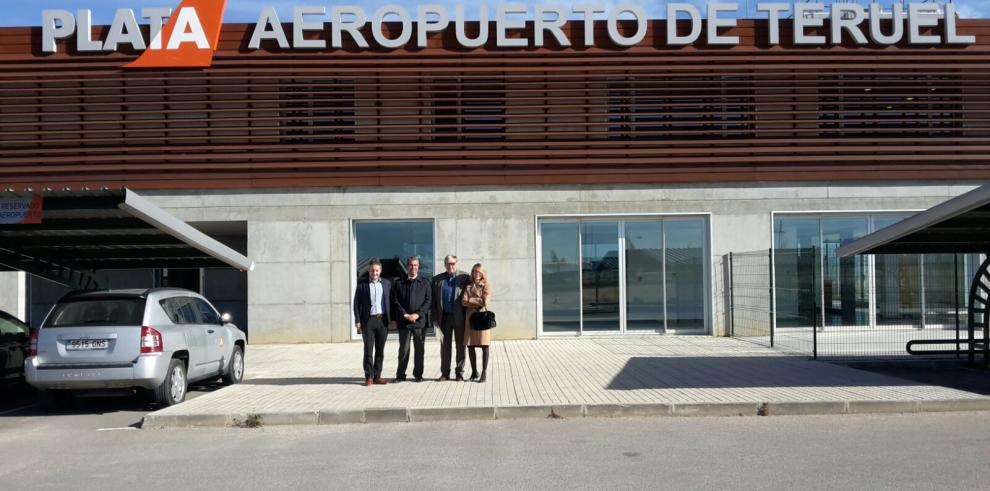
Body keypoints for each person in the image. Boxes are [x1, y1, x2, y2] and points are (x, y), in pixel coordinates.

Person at [392, 256, 431, 382]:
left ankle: (418, 375)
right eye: (410, 265)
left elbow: (428, 301)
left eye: (415, 265)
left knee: (419, 349)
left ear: (418, 267)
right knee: (404, 349)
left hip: (419, 321)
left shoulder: (425, 282)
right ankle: (400, 375)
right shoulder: (399, 282)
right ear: (407, 266)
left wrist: (417, 314)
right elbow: (395, 300)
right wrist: (404, 314)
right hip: (404, 321)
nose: (413, 267)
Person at [353, 259, 391, 386]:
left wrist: (392, 319)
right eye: (372, 270)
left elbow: (391, 301)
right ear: (369, 271)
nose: (374, 272)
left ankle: (377, 376)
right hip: (368, 321)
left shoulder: (386, 283)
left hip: (382, 321)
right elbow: (356, 304)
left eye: (376, 270)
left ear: (380, 271)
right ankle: (368, 376)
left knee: (380, 350)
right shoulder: (362, 284)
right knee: (368, 350)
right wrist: (358, 321)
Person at [431, 255, 470, 381]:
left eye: (453, 263)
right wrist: (435, 318)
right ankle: (445, 373)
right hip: (444, 318)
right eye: (448, 264)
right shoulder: (437, 280)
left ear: (456, 263)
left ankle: (459, 372)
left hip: (460, 318)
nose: (450, 266)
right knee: (445, 347)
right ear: (444, 265)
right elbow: (433, 302)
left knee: (460, 346)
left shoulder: (464, 277)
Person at [461, 263, 493, 383]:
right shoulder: (468, 286)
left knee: (484, 345)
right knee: (470, 345)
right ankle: (474, 372)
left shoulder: (486, 286)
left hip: (482, 317)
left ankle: (484, 373)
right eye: (475, 272)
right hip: (470, 318)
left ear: (483, 274)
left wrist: (471, 300)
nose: (477, 274)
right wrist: (476, 301)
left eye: (479, 272)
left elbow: (485, 301)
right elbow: (463, 302)